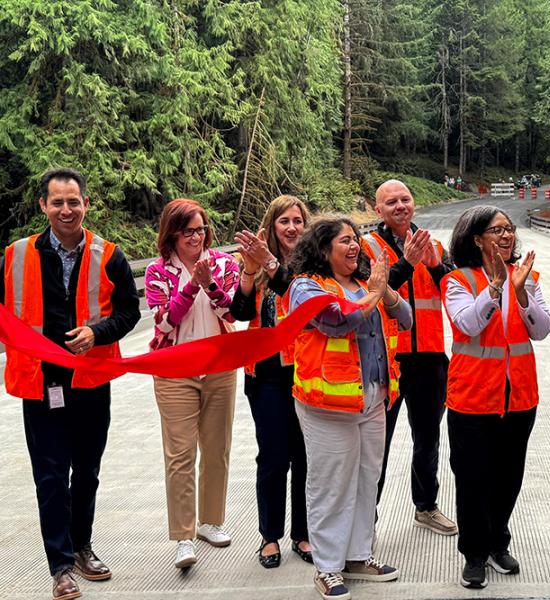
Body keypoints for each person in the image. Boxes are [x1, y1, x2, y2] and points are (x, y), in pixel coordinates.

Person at [0, 168, 140, 600]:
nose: (66, 209)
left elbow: (129, 313)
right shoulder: (14, 256)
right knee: (50, 476)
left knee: (88, 473)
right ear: (43, 205)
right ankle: (60, 566)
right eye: (57, 202)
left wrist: (97, 333)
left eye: (73, 201)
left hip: (90, 382)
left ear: (85, 204)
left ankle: (82, 547)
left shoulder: (109, 255)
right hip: (39, 384)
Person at [289, 217, 410, 600]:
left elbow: (404, 318)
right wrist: (374, 295)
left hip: (373, 398)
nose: (355, 245)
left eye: (356, 239)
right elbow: (335, 322)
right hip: (328, 404)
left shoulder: (363, 284)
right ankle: (327, 567)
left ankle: (358, 555)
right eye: (345, 240)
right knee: (330, 484)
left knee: (365, 479)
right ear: (324, 248)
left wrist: (383, 292)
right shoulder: (305, 286)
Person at [442, 206, 550, 589]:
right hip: (472, 398)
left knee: (508, 478)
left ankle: (496, 542)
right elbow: (468, 324)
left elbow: (542, 330)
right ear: (477, 239)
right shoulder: (458, 280)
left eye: (509, 229)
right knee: (472, 480)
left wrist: (520, 293)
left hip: (519, 398)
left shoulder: (528, 277)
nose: (506, 237)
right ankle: (474, 555)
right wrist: (494, 288)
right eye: (496, 231)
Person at [144, 199, 240, 569]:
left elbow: (230, 311)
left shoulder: (224, 264)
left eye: (201, 230)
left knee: (216, 448)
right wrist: (190, 288)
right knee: (180, 455)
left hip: (218, 365)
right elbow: (164, 322)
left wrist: (209, 283)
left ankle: (211, 521)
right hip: (174, 368)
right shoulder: (157, 272)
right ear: (172, 234)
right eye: (188, 232)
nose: (196, 238)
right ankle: (183, 537)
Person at [360, 179, 457, 536]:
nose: (400, 206)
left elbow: (453, 292)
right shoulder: (367, 247)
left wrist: (434, 266)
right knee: (376, 443)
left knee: (428, 438)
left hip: (430, 357)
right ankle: (366, 516)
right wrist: (406, 262)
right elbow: (370, 293)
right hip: (386, 359)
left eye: (405, 199)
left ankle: (426, 506)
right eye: (391, 202)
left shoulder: (433, 244)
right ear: (378, 209)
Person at [229, 195, 313, 568]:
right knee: (274, 458)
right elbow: (241, 312)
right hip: (266, 375)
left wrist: (269, 261)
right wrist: (250, 270)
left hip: (309, 371)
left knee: (307, 458)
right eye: (284, 222)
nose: (292, 227)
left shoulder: (315, 262)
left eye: (298, 220)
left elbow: (298, 296)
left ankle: (304, 533)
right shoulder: (254, 265)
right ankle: (269, 536)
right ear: (272, 226)